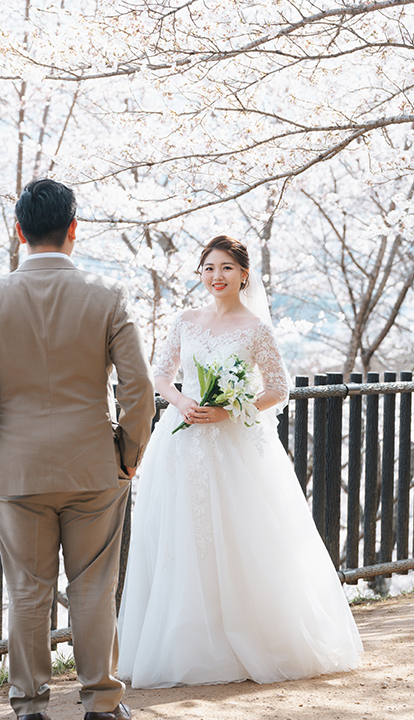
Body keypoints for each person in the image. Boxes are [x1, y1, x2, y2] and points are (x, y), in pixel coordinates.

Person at [0, 178, 156, 720]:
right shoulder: (107, 295)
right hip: (95, 466)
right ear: (74, 229)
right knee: (93, 585)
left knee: (27, 588)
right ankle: (99, 703)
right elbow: (138, 388)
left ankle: (31, 708)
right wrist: (128, 454)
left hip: (16, 471)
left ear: (19, 231)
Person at [117, 236, 363, 688]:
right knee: (182, 536)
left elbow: (278, 389)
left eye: (227, 268)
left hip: (234, 445)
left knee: (236, 535)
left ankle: (246, 640)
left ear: (244, 274)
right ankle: (184, 641)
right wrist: (182, 401)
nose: (217, 276)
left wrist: (231, 407)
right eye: (208, 268)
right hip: (183, 444)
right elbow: (161, 375)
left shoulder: (255, 328)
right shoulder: (185, 321)